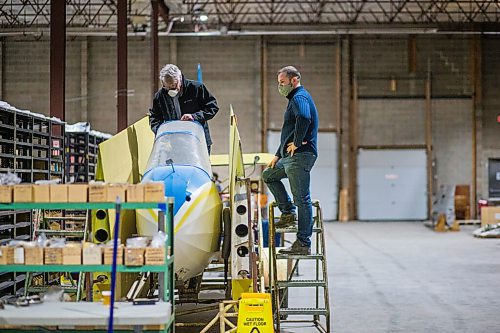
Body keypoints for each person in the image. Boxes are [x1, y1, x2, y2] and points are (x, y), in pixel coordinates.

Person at [262, 66, 319, 255]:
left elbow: (304, 117)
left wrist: (296, 143)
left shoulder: (299, 97)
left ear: (294, 80)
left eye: (282, 83)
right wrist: (278, 154)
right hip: (288, 157)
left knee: (302, 198)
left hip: (300, 156)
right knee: (268, 175)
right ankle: (287, 213)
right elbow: (289, 131)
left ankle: (303, 244)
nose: (280, 86)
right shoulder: (293, 99)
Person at [148, 64, 219, 153]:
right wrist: (161, 132)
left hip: (197, 141)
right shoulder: (160, 96)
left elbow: (212, 107)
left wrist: (194, 117)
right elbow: (154, 117)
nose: (171, 90)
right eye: (167, 87)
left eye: (173, 86)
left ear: (180, 79)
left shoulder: (196, 88)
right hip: (173, 144)